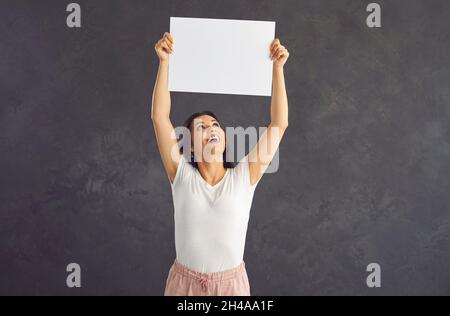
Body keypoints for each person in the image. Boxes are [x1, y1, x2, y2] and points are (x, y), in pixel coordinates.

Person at [151, 32, 289, 296]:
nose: (211, 128)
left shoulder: (244, 177)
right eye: (201, 127)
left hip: (231, 288)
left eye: (215, 125)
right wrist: (164, 62)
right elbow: (159, 116)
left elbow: (279, 124)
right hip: (184, 287)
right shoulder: (181, 177)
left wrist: (278, 68)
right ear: (190, 144)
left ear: (224, 138)